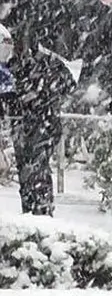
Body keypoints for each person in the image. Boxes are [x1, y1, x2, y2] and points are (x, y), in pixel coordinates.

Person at [3, 29, 74, 217]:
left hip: (42, 123)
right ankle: (31, 211)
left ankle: (41, 212)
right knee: (27, 170)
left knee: (37, 169)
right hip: (25, 124)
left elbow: (67, 83)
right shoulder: (11, 66)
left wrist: (40, 95)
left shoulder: (39, 61)